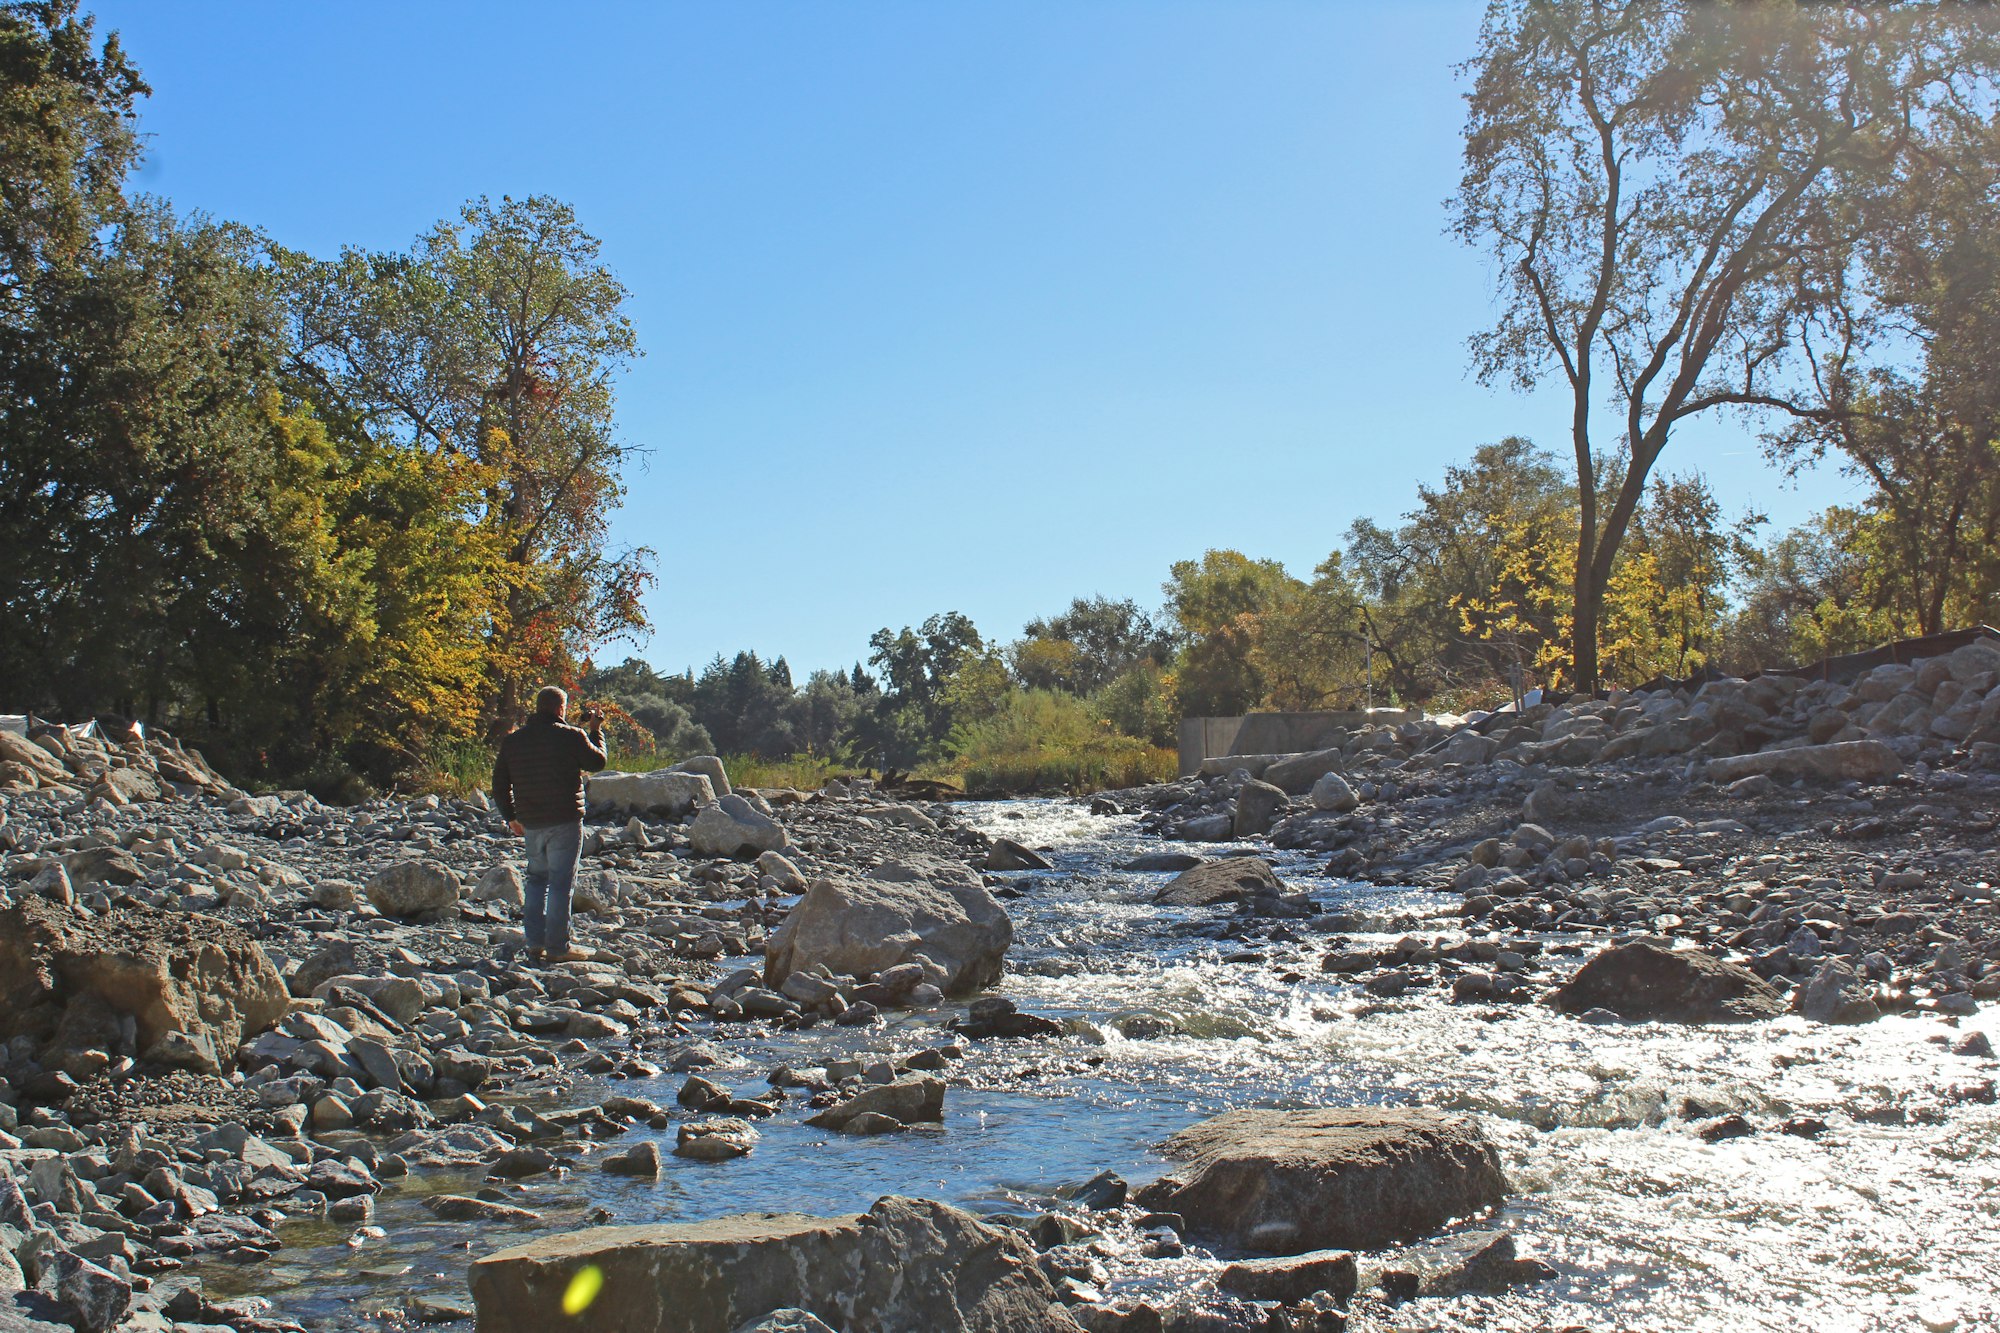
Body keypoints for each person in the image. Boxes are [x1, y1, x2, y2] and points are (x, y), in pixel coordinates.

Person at [490, 686, 607, 964]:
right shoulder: (572, 736)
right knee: (560, 883)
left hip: (531, 821)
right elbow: (598, 762)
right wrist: (596, 730)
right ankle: (557, 947)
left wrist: (511, 817)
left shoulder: (513, 741)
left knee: (536, 880)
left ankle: (534, 942)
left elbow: (499, 784)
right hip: (565, 818)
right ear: (560, 709)